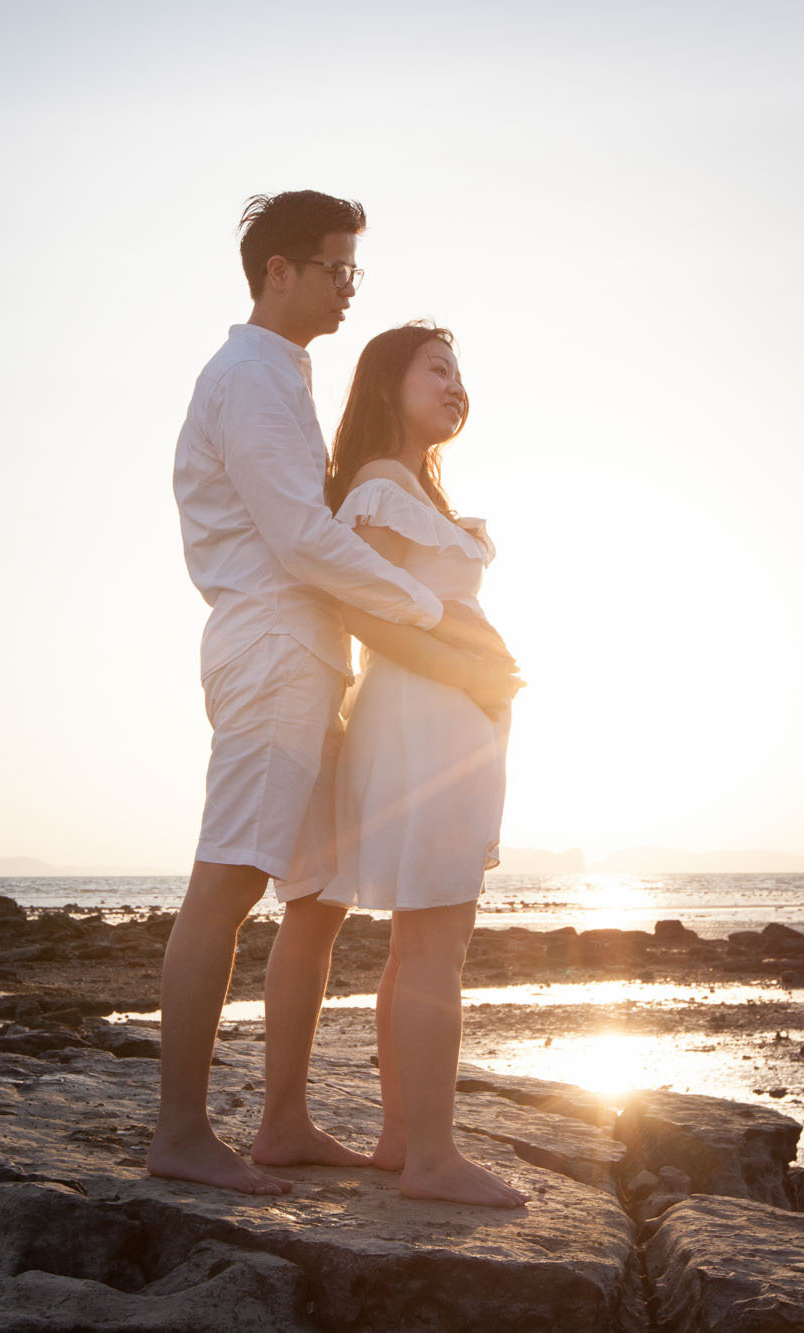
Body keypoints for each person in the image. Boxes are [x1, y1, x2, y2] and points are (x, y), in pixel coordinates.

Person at [152, 193, 521, 1196]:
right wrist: (434, 618)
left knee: (310, 898)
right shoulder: (246, 377)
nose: (349, 285)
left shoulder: (285, 377)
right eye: (334, 268)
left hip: (315, 661)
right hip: (273, 647)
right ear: (278, 270)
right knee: (227, 881)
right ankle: (180, 1131)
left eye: (354, 269)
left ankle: (281, 1122)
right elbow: (301, 539)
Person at [285, 322, 529, 1207]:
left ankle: (402, 1137)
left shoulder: (414, 489)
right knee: (435, 945)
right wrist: (468, 660)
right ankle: (431, 1157)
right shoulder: (382, 487)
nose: (456, 383)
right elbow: (364, 611)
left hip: (444, 724)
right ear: (390, 383)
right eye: (438, 368)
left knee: (423, 942)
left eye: (462, 370)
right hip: (424, 723)